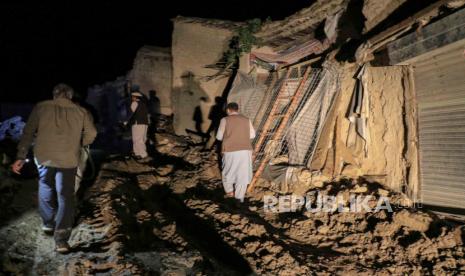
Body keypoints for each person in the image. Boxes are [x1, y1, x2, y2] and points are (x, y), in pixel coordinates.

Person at [11, 83, 97, 253]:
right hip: (68, 159)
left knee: (45, 185)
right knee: (65, 195)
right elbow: (92, 133)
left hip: (43, 157)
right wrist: (82, 143)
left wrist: (20, 156)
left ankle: (48, 223)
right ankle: (61, 241)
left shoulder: (41, 107)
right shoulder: (81, 111)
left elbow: (28, 132)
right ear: (70, 96)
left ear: (55, 94)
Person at [216, 102, 256, 203]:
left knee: (228, 171)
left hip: (230, 150)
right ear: (237, 109)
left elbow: (219, 137)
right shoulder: (247, 120)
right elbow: (252, 135)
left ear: (228, 110)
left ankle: (229, 192)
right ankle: (239, 198)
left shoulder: (224, 120)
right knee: (242, 174)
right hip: (245, 150)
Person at [128, 90, 150, 161]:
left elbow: (130, 113)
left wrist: (124, 122)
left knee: (137, 139)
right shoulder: (144, 104)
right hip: (144, 123)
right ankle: (139, 154)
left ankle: (142, 154)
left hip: (137, 123)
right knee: (143, 138)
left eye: (132, 96)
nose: (132, 98)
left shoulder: (134, 103)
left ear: (135, 97)